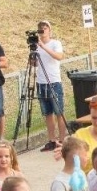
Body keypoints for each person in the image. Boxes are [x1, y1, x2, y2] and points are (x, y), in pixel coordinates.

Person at [30, 20, 67, 151]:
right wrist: (32, 56)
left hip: (54, 81)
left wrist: (43, 46)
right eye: (40, 29)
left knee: (59, 112)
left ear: (49, 30)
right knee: (47, 113)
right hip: (41, 82)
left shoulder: (55, 43)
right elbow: (34, 64)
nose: (43, 31)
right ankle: (52, 140)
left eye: (45, 28)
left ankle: (62, 140)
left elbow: (59, 56)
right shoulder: (36, 45)